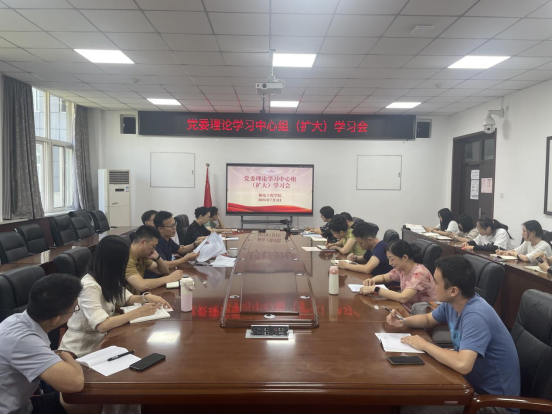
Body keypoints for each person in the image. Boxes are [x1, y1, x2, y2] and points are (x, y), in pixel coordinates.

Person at [389, 256, 520, 415]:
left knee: (413, 407)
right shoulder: (453, 303)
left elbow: (463, 364)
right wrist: (404, 322)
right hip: (468, 387)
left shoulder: (476, 315)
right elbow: (428, 319)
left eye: (436, 282)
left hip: (494, 403)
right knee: (410, 395)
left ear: (453, 291)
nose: (433, 285)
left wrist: (424, 344)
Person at [59, 236, 171, 358]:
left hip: (103, 344)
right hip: (80, 352)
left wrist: (146, 298)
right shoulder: (89, 286)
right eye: (123, 261)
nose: (125, 265)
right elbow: (102, 325)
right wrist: (139, 312)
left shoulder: (107, 277)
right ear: (113, 262)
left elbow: (126, 298)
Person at [0, 273, 93, 414]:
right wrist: (66, 356)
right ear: (56, 319)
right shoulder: (22, 340)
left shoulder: (17, 320)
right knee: (88, 397)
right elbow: (75, 383)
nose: (74, 312)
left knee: (88, 402)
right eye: (74, 308)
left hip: (24, 404)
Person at [359, 240, 437, 313]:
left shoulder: (420, 273)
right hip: (406, 308)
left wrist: (375, 289)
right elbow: (384, 277)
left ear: (405, 258)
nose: (390, 263)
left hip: (421, 313)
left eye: (392, 259)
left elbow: (403, 297)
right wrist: (372, 280)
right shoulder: (401, 269)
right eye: (388, 259)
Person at [125, 225, 184, 294]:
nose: (153, 250)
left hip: (139, 297)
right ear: (143, 242)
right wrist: (170, 278)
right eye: (153, 246)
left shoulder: (141, 256)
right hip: (130, 300)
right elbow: (141, 285)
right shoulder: (126, 258)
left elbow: (163, 271)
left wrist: (157, 257)